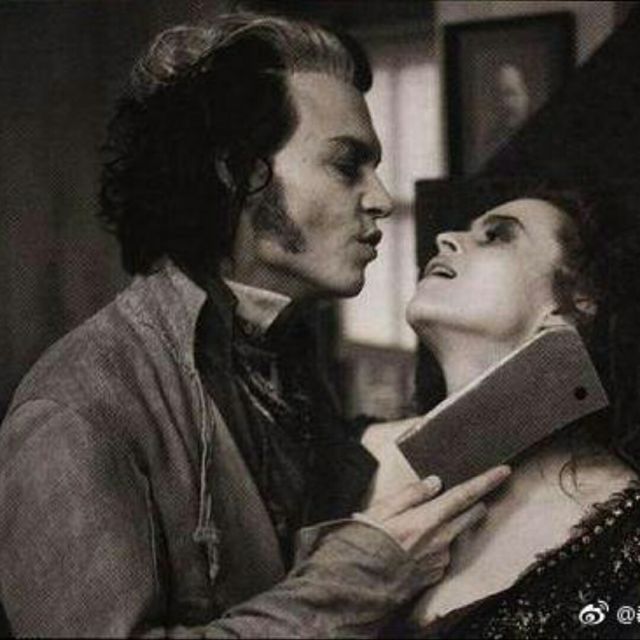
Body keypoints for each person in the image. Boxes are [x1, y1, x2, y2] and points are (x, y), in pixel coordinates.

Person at [0, 13, 510, 638]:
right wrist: (363, 579)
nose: (380, 197)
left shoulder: (276, 344)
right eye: (347, 165)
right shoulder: (76, 410)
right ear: (236, 173)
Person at [364, 183, 640, 638]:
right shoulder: (345, 458)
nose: (445, 238)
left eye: (497, 236)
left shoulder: (625, 539)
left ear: (578, 301)